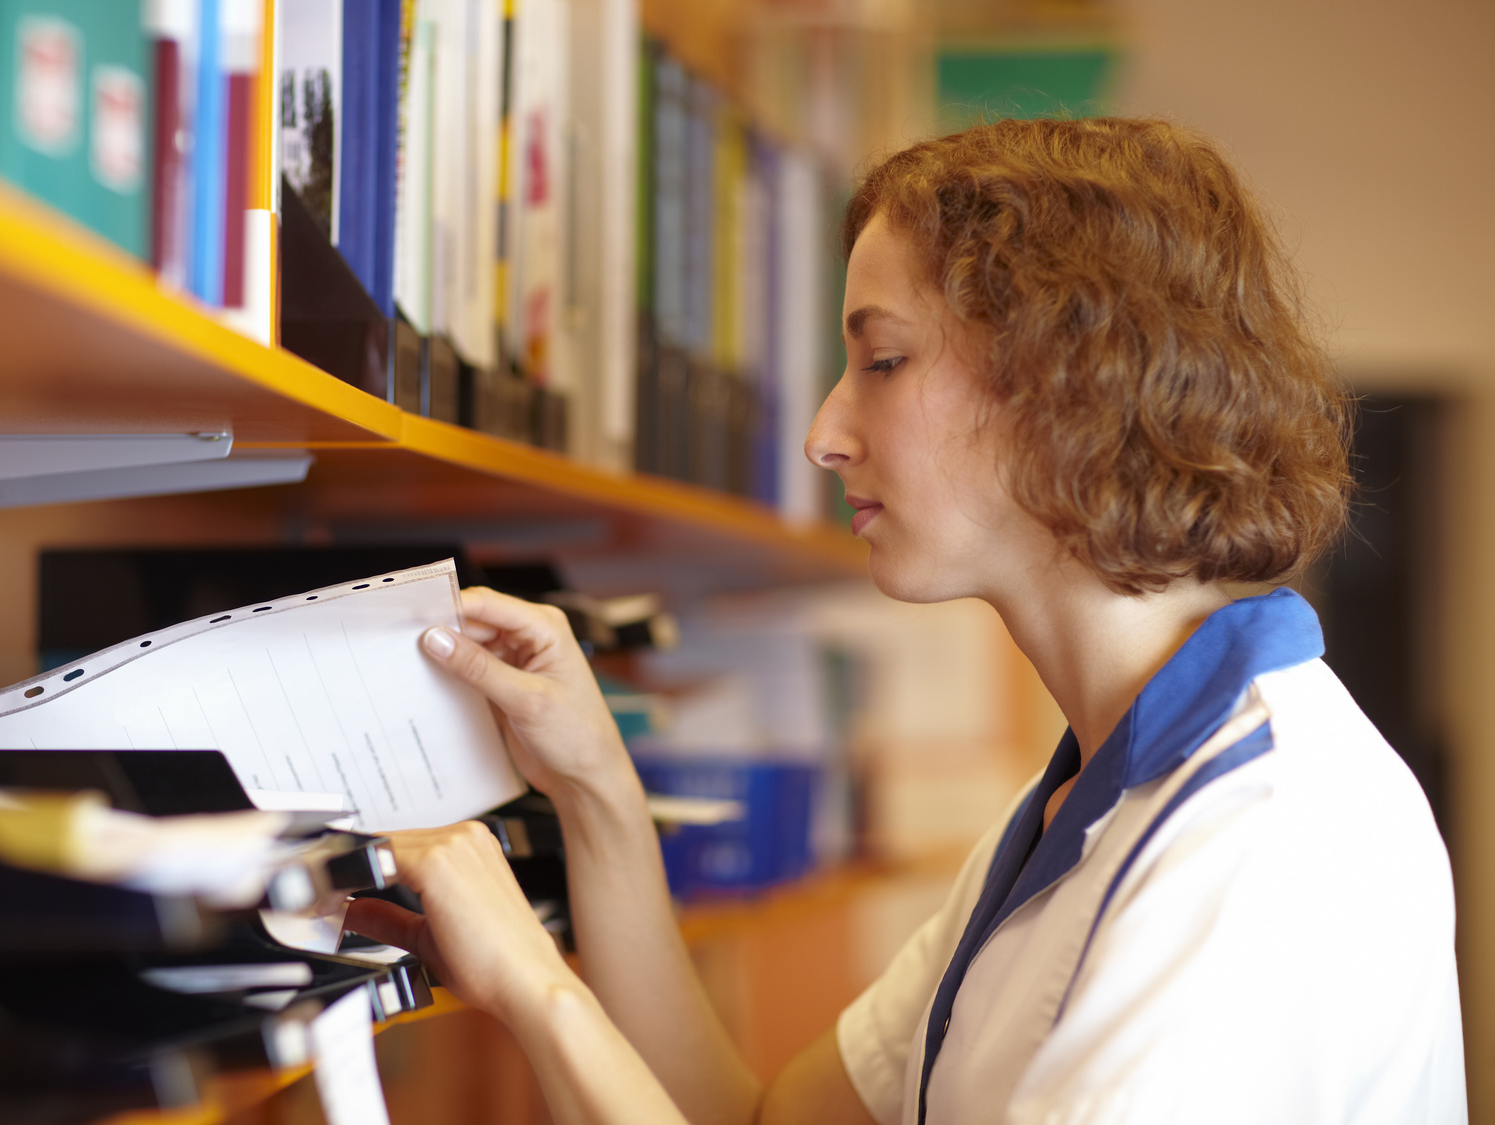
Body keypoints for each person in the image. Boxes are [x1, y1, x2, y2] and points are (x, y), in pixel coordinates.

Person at [345, 117, 1466, 1124]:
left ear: (1069, 381)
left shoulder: (1262, 838)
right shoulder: (1079, 804)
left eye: (881, 359)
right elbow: (751, 1119)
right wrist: (592, 793)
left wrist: (535, 991)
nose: (825, 434)